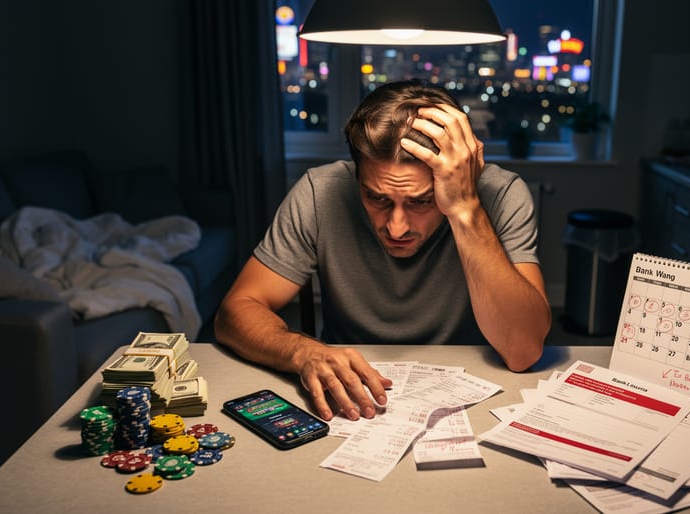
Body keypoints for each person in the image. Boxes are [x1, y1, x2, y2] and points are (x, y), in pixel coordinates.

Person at [215, 80, 551, 422]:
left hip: (472, 397)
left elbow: (522, 351)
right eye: (377, 198)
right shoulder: (320, 192)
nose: (397, 227)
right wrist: (303, 351)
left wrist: (465, 208)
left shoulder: (503, 193)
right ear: (357, 174)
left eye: (422, 201)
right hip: (350, 400)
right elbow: (235, 312)